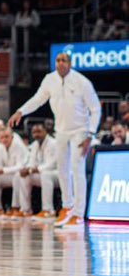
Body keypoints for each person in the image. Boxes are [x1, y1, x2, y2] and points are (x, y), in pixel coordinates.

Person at [8, 49, 101, 228]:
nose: (60, 63)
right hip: (61, 131)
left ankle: (79, 213)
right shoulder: (49, 80)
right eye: (58, 60)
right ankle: (67, 206)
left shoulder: (82, 82)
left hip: (80, 131)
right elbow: (37, 99)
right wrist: (21, 111)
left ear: (70, 64)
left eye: (64, 60)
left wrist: (91, 133)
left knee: (77, 169)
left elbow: (95, 109)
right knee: (62, 170)